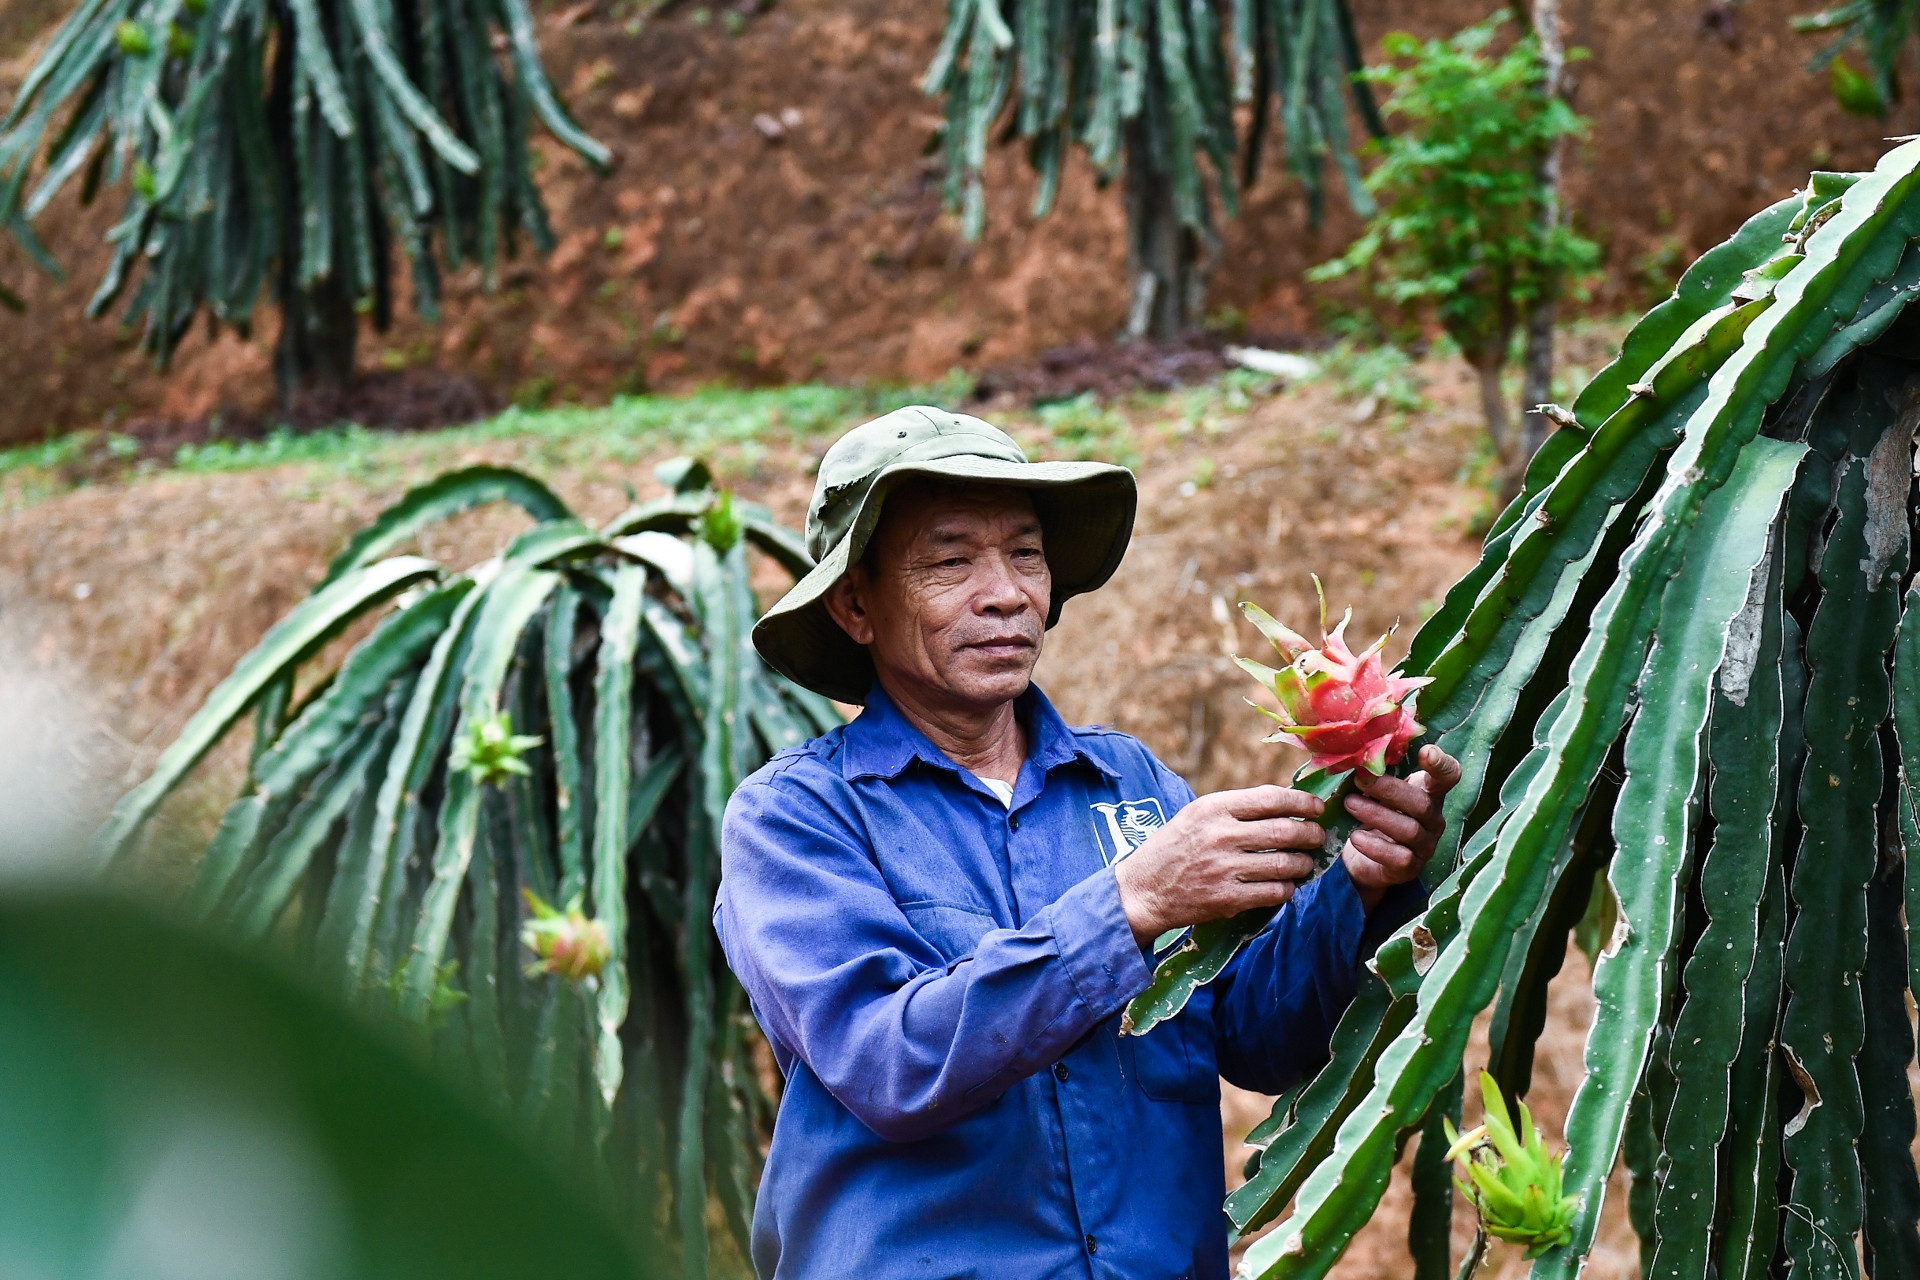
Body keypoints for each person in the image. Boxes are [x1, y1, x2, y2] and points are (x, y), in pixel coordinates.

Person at [717, 406, 1462, 1280]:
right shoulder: (796, 818)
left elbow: (1256, 1035)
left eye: (1026, 554)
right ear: (856, 605)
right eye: (952, 561)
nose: (1006, 592)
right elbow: (887, 1058)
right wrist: (1132, 903)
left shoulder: (1132, 785)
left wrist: (1365, 888)